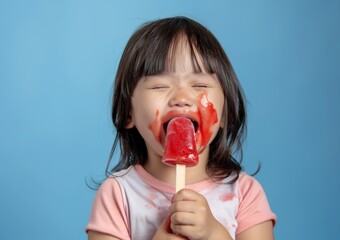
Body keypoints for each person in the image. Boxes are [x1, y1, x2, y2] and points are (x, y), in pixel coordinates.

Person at [86, 16, 276, 240]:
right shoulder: (117, 195)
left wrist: (214, 234)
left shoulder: (244, 193)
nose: (181, 98)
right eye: (160, 85)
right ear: (129, 112)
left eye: (199, 85)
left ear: (224, 113)